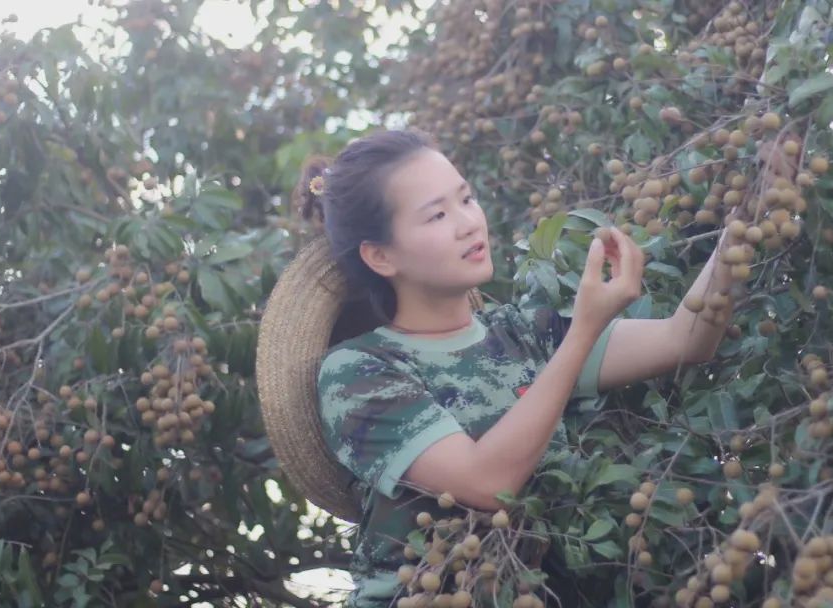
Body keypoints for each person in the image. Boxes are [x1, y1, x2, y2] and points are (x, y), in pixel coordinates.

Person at [297, 128, 736, 607]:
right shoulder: (358, 370)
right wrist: (585, 329)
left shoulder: (521, 334)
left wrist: (744, 222)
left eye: (467, 199)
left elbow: (687, 337)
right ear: (380, 255)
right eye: (438, 214)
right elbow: (486, 484)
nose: (468, 223)